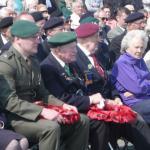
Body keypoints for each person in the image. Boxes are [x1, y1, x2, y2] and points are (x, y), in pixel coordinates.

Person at [0, 20, 89, 150]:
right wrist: (43, 111)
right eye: (33, 37)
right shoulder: (6, 64)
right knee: (50, 128)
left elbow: (44, 93)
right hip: (16, 118)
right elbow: (10, 102)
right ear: (18, 39)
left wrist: (64, 105)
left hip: (36, 112)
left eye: (38, 36)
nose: (38, 41)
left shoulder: (34, 62)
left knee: (82, 120)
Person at [74, 23, 150, 150]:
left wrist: (116, 96)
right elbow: (85, 89)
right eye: (97, 36)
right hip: (95, 106)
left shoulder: (98, 55)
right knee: (122, 122)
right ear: (87, 39)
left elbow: (108, 82)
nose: (100, 39)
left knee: (136, 121)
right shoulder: (76, 59)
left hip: (112, 103)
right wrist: (106, 101)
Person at [40, 31, 109, 150]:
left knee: (109, 115)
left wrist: (97, 99)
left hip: (78, 105)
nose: (76, 51)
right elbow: (60, 98)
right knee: (99, 122)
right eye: (72, 49)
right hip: (63, 111)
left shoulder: (70, 62)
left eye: (75, 47)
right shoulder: (48, 68)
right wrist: (89, 100)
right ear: (57, 51)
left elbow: (83, 85)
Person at [111, 30, 150, 124]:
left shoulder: (139, 60)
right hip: (134, 103)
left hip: (145, 98)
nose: (139, 51)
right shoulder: (122, 63)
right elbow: (138, 88)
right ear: (127, 47)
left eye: (142, 47)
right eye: (136, 47)